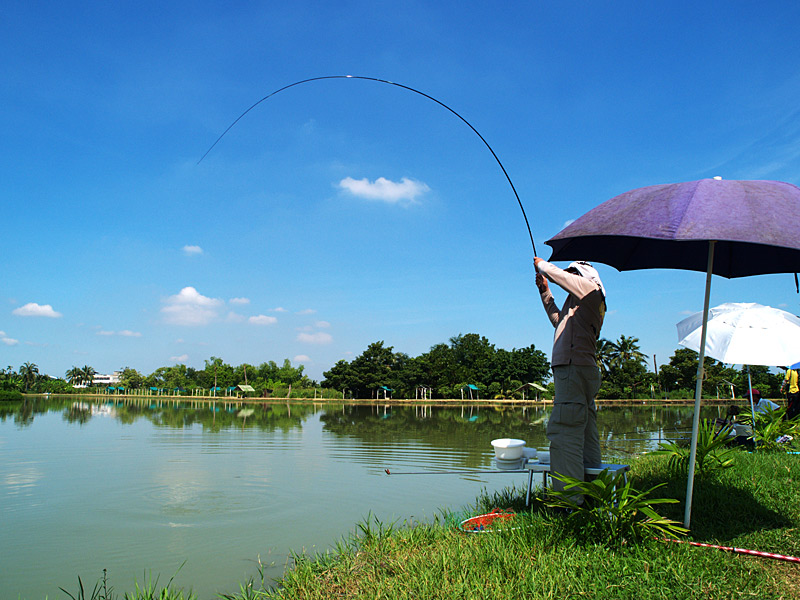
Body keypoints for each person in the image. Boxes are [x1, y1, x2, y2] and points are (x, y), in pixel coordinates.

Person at [534, 257, 606, 505]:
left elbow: (563, 278)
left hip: (573, 369)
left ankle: (569, 502)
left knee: (564, 432)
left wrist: (543, 266)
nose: (569, 277)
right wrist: (545, 291)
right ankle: (593, 492)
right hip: (582, 369)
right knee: (585, 431)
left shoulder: (591, 290)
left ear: (583, 275)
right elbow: (558, 321)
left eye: (572, 274)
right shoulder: (581, 304)